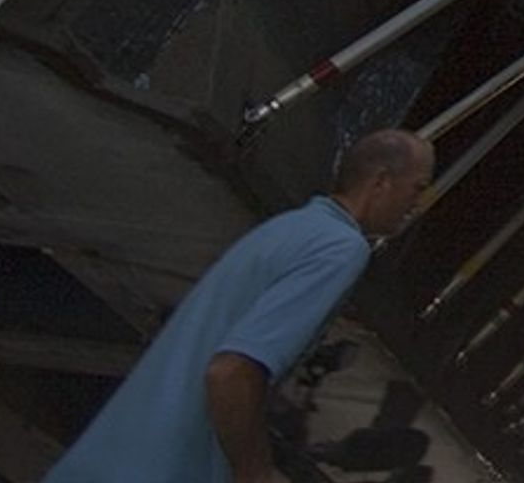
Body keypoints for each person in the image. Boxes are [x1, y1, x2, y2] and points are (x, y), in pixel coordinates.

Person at [47, 129, 434, 483]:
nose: (416, 205)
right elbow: (231, 372)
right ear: (381, 182)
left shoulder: (292, 227)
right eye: (416, 189)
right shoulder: (341, 249)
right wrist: (255, 472)